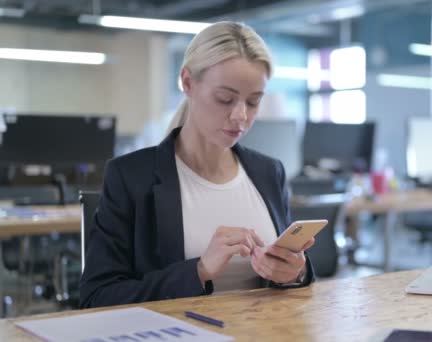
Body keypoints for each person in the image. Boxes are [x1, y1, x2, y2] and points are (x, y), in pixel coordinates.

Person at [80, 21, 316, 308]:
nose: (240, 116)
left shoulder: (269, 172)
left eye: (253, 102)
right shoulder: (131, 177)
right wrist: (199, 271)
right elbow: (97, 297)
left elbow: (291, 279)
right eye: (225, 99)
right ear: (188, 83)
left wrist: (294, 272)